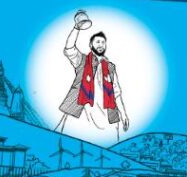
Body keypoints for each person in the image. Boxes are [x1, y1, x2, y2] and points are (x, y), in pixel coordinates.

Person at [55, 12, 131, 142]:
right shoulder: (82, 61)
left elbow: (117, 93)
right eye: (97, 41)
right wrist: (77, 28)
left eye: (103, 42)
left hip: (106, 116)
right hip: (81, 114)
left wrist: (123, 115)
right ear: (91, 45)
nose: (100, 44)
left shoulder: (110, 67)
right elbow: (69, 49)